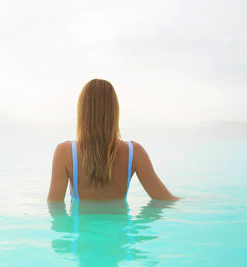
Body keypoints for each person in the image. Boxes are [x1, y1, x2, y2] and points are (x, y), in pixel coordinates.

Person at [47, 79, 179, 202]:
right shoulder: (134, 152)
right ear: (114, 111)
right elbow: (166, 200)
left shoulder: (64, 153)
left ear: (82, 112)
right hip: (121, 228)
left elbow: (54, 208)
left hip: (81, 228)